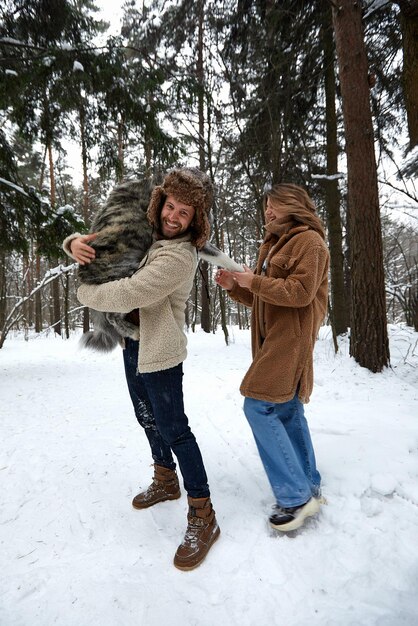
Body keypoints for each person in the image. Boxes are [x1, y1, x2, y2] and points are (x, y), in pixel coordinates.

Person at [63, 168, 220, 570]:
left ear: (194, 220)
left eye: (184, 213)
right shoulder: (152, 234)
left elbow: (132, 290)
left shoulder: (178, 255)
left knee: (175, 429)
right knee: (146, 418)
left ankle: (203, 513)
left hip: (161, 352)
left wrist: (85, 292)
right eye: (170, 206)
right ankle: (166, 480)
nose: (174, 216)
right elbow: (108, 240)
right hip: (133, 343)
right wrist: (74, 244)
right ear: (160, 204)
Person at [216, 183, 329, 532]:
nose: (268, 210)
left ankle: (294, 498)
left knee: (257, 405)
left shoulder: (309, 241)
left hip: (290, 341)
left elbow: (299, 293)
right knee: (287, 408)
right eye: (266, 204)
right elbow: (267, 299)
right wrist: (237, 286)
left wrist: (254, 281)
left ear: (294, 205)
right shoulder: (275, 244)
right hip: (273, 338)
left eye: (275, 204)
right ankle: (309, 484)